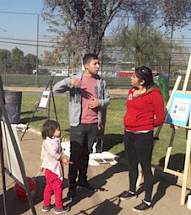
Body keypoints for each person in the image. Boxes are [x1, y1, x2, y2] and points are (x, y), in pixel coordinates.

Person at [53, 53, 110, 199]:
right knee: (75, 156)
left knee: (86, 154)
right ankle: (72, 186)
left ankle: (83, 181)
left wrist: (99, 103)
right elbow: (56, 89)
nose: (98, 66)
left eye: (98, 64)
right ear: (86, 65)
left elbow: (107, 100)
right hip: (78, 124)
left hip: (93, 124)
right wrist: (68, 81)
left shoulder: (100, 82)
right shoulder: (76, 80)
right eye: (95, 64)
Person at [119, 66, 165, 212]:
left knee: (145, 167)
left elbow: (161, 118)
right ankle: (132, 190)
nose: (131, 78)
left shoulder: (154, 95)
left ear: (143, 81)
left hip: (143, 135)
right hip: (129, 133)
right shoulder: (132, 91)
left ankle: (148, 200)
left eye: (134, 76)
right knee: (132, 163)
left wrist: (146, 125)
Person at [39, 120, 70, 214]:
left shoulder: (46, 142)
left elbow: (43, 154)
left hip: (48, 169)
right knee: (57, 189)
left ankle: (46, 205)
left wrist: (42, 164)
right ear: (51, 132)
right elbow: (53, 153)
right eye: (58, 130)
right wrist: (62, 158)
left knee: (48, 187)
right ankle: (59, 207)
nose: (60, 131)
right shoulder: (53, 143)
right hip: (55, 170)